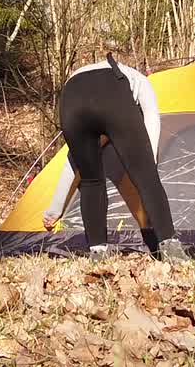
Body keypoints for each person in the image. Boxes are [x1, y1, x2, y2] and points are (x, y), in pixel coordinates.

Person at [42, 53, 187, 262]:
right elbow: (152, 118)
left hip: (71, 94)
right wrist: (150, 161)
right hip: (111, 89)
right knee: (146, 178)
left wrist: (54, 210)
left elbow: (72, 161)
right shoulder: (140, 81)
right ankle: (169, 246)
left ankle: (98, 252)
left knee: (91, 180)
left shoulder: (84, 77)